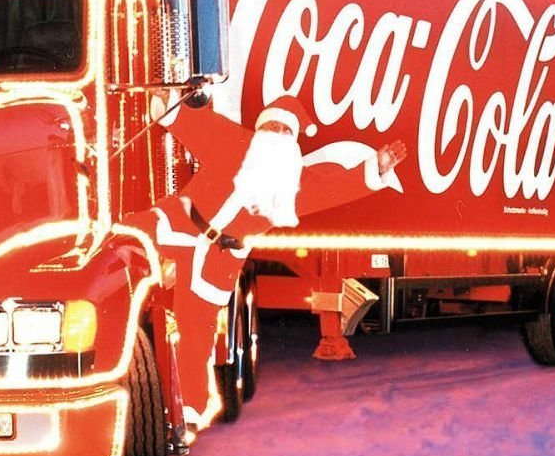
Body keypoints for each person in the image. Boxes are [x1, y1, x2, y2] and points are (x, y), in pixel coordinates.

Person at [128, 90, 404, 436]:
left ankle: (190, 412)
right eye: (272, 126)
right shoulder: (232, 141)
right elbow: (190, 122)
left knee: (196, 333)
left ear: (293, 142)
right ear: (260, 129)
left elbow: (337, 187)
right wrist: (163, 101)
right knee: (121, 235)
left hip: (219, 259)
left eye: (286, 131)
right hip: (178, 225)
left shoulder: (294, 185)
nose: (277, 135)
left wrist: (375, 169)